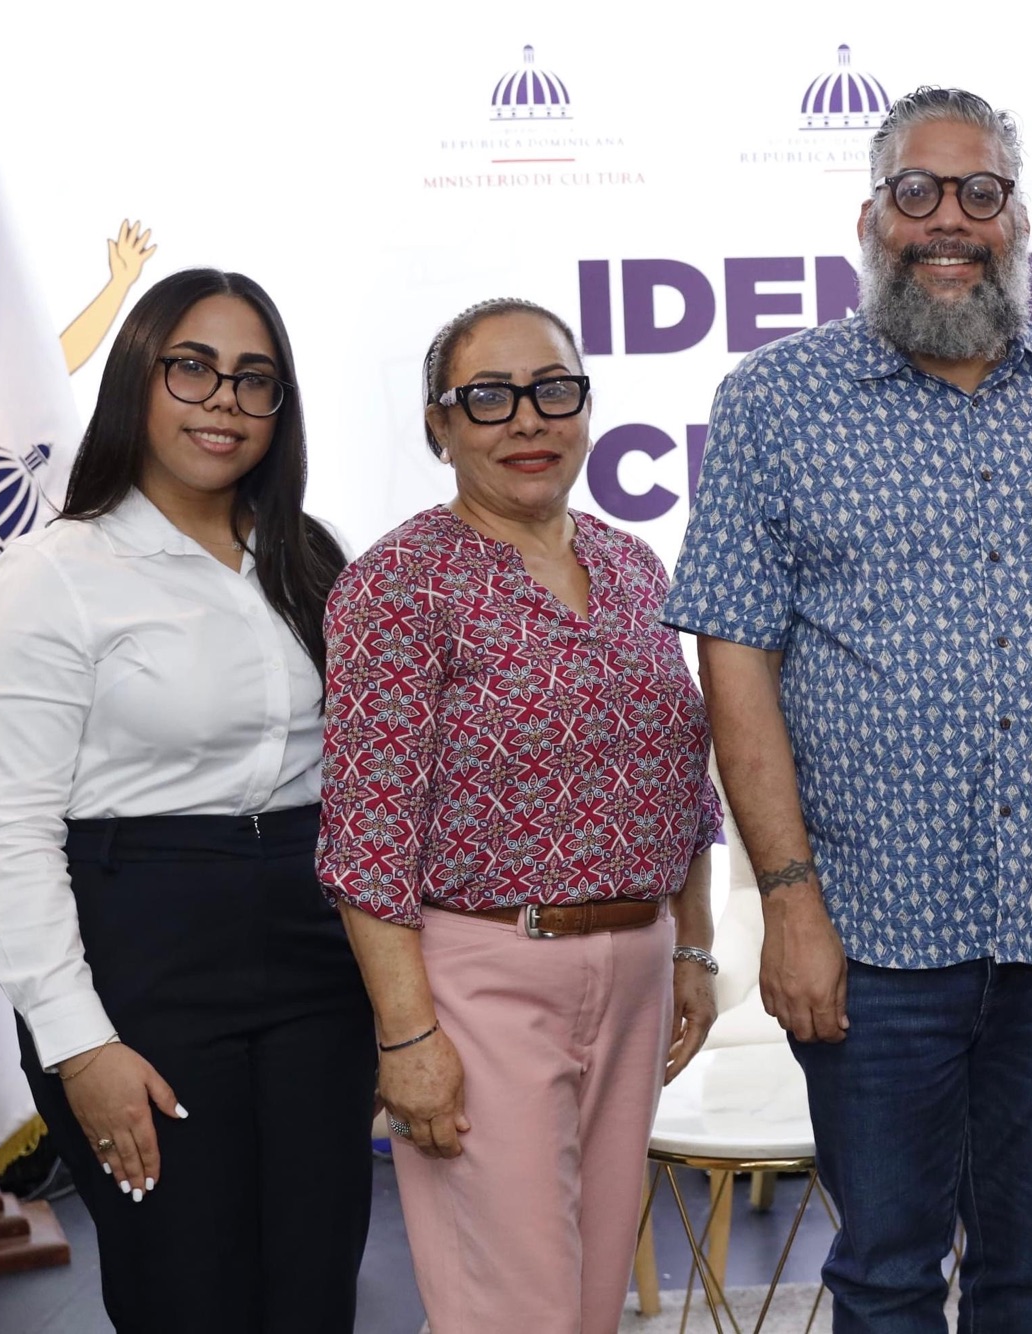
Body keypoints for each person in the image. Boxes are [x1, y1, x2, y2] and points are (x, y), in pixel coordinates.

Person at [663, 87, 1032, 1332]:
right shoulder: (776, 398)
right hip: (869, 942)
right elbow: (734, 661)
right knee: (885, 1276)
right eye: (917, 191)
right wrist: (788, 904)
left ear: (1017, 220)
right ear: (869, 217)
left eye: (979, 192)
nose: (949, 220)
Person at [0, 268, 372, 1332]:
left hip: (316, 949)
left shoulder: (312, 556)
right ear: (137, 379)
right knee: (185, 1292)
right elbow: (12, 834)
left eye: (255, 378)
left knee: (315, 1286)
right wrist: (79, 1044)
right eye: (192, 368)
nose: (224, 399)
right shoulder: (52, 574)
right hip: (141, 956)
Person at [316, 296, 721, 1334]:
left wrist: (694, 948)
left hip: (636, 970)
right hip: (481, 979)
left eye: (554, 390)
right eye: (489, 397)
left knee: (589, 1302)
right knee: (512, 1308)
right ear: (438, 425)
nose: (528, 420)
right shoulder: (398, 584)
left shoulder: (633, 564)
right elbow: (366, 840)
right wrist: (408, 1036)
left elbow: (682, 778)